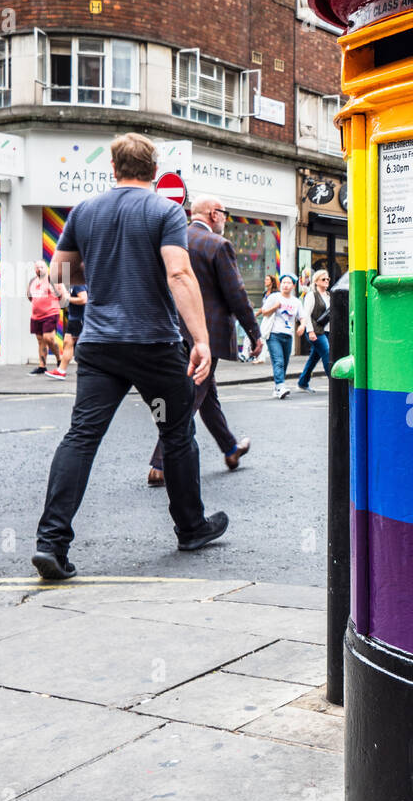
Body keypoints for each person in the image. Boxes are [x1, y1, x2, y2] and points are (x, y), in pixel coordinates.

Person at [31, 132, 227, 581]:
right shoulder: (164, 211)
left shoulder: (85, 210)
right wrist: (201, 340)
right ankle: (191, 528)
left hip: (99, 347)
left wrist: (78, 291)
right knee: (176, 433)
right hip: (154, 346)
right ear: (154, 172)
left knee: (81, 438)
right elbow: (178, 272)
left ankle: (51, 544)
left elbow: (61, 271)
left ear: (113, 169)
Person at [147, 195, 262, 485]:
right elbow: (236, 293)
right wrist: (254, 332)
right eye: (224, 213)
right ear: (213, 214)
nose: (225, 218)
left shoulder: (172, 239)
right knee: (190, 399)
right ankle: (159, 464)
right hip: (205, 337)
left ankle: (231, 448)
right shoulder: (218, 245)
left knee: (205, 394)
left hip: (172, 330)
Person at [261, 272, 301, 398]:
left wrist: (303, 326)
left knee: (285, 362)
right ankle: (280, 386)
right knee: (278, 361)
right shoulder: (274, 297)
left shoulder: (296, 301)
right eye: (283, 282)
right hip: (274, 334)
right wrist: (275, 307)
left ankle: (278, 387)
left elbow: (302, 316)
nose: (285, 285)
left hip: (288, 335)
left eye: (288, 283)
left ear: (293, 286)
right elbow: (264, 312)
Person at [27, 261, 65, 374]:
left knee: (48, 338)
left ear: (46, 268)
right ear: (35, 270)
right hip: (36, 316)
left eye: (42, 267)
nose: (39, 269)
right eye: (37, 267)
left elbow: (62, 295)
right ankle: (42, 366)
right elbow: (29, 296)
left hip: (50, 313)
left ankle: (59, 360)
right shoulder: (32, 281)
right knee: (40, 340)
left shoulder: (52, 280)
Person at [296, 268, 331, 393]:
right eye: (323, 279)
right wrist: (310, 331)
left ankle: (302, 382)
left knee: (314, 358)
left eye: (328, 279)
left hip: (327, 331)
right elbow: (306, 315)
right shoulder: (312, 295)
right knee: (328, 353)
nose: (326, 281)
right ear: (316, 281)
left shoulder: (329, 295)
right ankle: (334, 385)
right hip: (315, 331)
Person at [53, 278, 87, 376]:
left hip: (79, 319)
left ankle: (62, 370)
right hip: (74, 318)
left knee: (79, 345)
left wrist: (68, 298)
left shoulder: (77, 284)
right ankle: (61, 370)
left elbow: (84, 299)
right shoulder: (72, 284)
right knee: (69, 343)